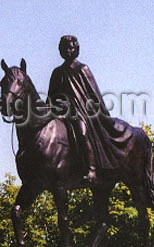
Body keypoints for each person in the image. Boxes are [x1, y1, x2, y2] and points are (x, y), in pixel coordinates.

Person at [48, 35, 124, 183]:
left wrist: (102, 115)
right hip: (61, 113)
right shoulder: (57, 72)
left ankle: (92, 169)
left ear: (76, 49)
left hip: (79, 112)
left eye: (71, 48)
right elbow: (51, 96)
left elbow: (94, 94)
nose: (68, 51)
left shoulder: (82, 69)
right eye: (64, 49)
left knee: (82, 133)